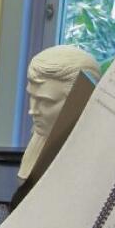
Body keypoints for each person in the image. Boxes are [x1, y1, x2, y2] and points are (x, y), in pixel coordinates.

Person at [19, 44, 101, 180]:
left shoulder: (89, 161)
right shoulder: (41, 135)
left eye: (46, 102)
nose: (32, 110)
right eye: (31, 96)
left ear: (82, 99)